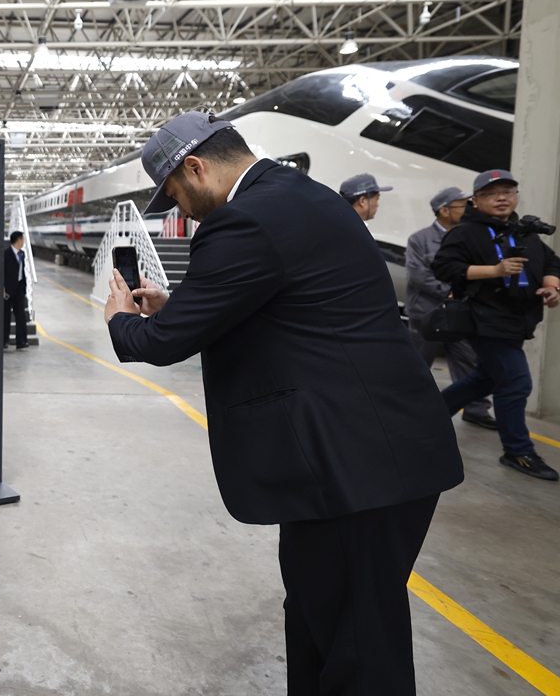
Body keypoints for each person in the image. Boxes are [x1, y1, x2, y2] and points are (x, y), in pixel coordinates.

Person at [104, 111, 463, 695]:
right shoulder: (300, 194)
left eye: (176, 197)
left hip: (357, 465)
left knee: (360, 644)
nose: (183, 213)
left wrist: (121, 320)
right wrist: (180, 303)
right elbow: (287, 303)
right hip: (364, 457)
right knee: (325, 612)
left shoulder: (243, 219)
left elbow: (163, 344)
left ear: (196, 168)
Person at [431, 170, 560, 481]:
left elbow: (553, 261)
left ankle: (425, 419)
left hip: (519, 321)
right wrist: (495, 269)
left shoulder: (524, 232)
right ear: (476, 201)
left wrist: (551, 286)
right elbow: (443, 267)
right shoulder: (466, 232)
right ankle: (517, 450)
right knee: (516, 383)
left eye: (509, 191)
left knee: (485, 379)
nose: (503, 198)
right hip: (485, 320)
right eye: (492, 193)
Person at [406, 186, 496, 430]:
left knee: (469, 361)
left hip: (460, 312)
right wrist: (447, 290)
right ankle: (407, 408)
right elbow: (418, 275)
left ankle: (476, 409)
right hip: (428, 312)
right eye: (462, 205)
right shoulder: (420, 239)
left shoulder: (469, 237)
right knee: (417, 364)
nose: (468, 209)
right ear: (444, 210)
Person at [3, 231, 29, 349]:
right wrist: (2, 288)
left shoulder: (21, 254)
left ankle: (22, 341)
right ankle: (4, 340)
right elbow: (2, 272)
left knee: (20, 315)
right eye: (22, 239)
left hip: (19, 289)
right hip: (7, 290)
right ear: (18, 240)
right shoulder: (6, 254)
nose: (23, 242)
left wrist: (24, 286)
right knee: (5, 316)